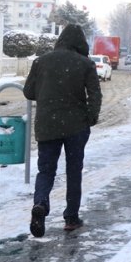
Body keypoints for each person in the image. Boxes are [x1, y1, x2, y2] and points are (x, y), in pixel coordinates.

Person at [23, 24, 102, 236]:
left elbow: (28, 92)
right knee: (74, 171)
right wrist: (90, 118)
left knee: (46, 170)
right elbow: (95, 95)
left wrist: (49, 93)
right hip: (76, 126)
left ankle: (40, 204)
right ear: (80, 43)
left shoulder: (41, 61)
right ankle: (71, 218)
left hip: (48, 124)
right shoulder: (85, 64)